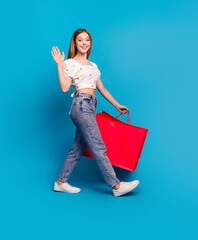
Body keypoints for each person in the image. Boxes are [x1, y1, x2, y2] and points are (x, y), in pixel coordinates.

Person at [50, 28, 139, 197]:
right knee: (98, 147)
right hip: (81, 105)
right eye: (80, 40)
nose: (84, 43)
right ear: (74, 43)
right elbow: (64, 88)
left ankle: (60, 182)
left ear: (90, 43)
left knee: (77, 148)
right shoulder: (70, 63)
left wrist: (116, 105)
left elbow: (101, 88)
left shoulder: (93, 66)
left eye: (87, 40)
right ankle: (116, 185)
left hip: (91, 106)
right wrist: (59, 64)